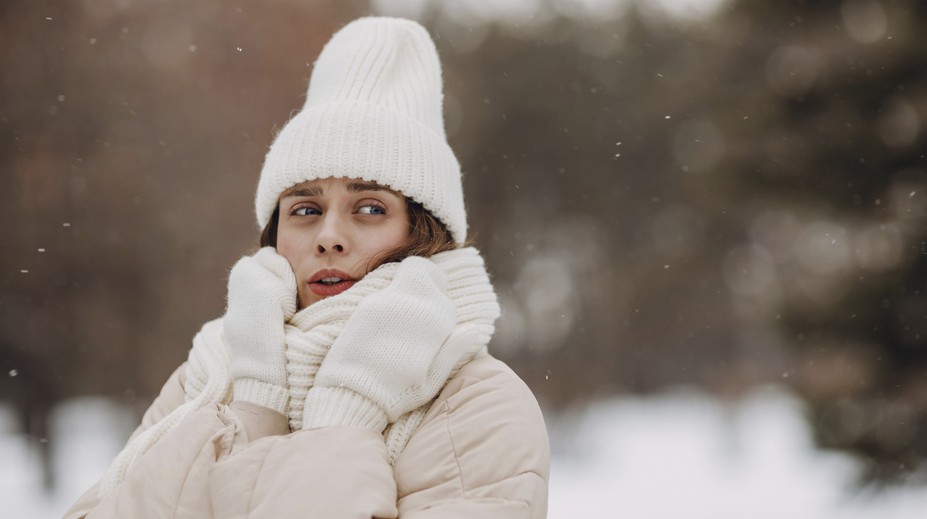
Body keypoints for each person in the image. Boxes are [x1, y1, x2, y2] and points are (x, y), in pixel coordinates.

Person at [63, 16, 550, 519]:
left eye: (370, 208)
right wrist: (256, 405)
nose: (329, 237)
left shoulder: (480, 403)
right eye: (305, 209)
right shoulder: (208, 375)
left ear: (423, 231)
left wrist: (345, 412)